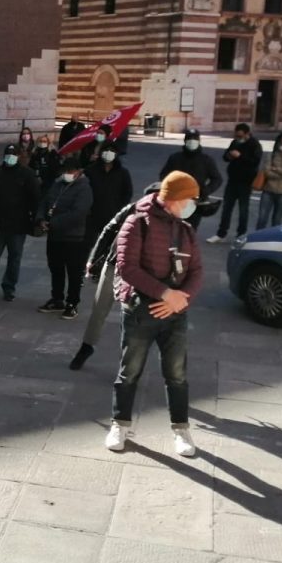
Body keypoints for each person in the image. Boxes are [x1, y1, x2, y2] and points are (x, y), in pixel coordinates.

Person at [105, 170, 204, 458]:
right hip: (141, 309)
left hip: (175, 312)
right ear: (173, 199)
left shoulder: (185, 230)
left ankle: (181, 428)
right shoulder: (137, 223)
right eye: (189, 199)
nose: (192, 205)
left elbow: (196, 270)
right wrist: (165, 294)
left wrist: (180, 299)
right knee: (130, 371)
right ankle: (120, 424)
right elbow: (127, 267)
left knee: (177, 373)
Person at [71, 182, 163, 372]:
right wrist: (94, 258)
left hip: (141, 275)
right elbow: (108, 229)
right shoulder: (132, 209)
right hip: (115, 265)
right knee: (99, 310)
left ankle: (128, 363)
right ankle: (86, 348)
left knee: (132, 317)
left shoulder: (167, 221)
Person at [0, 143, 40, 301]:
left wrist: (36, 220)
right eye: (8, 154)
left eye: (13, 154)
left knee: (14, 258)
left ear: (18, 156)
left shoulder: (27, 174)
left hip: (18, 225)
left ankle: (9, 287)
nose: (10, 157)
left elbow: (35, 199)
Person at [36, 155, 93, 320]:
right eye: (65, 170)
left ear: (79, 171)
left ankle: (72, 303)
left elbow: (78, 213)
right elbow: (46, 201)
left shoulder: (84, 188)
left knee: (74, 272)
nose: (67, 173)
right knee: (56, 269)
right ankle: (57, 298)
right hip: (54, 236)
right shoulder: (58, 183)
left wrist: (53, 222)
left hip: (73, 237)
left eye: (70, 171)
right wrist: (41, 219)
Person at [208, 122, 262, 244]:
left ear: (247, 134)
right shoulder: (235, 142)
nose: (238, 138)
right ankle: (221, 233)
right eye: (236, 135)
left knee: (243, 210)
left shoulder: (255, 145)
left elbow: (255, 161)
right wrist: (230, 156)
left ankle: (241, 235)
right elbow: (225, 157)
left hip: (245, 182)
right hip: (232, 181)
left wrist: (240, 156)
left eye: (240, 136)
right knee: (227, 208)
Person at [159, 128, 222, 231]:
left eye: (195, 139)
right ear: (185, 141)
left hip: (195, 201)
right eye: (189, 138)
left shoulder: (206, 160)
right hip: (176, 200)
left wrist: (206, 190)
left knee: (190, 230)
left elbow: (217, 179)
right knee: (173, 229)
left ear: (199, 141)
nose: (192, 141)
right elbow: (164, 175)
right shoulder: (175, 158)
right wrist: (171, 188)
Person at [84, 141, 134, 251]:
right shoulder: (91, 170)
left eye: (112, 151)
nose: (108, 153)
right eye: (106, 150)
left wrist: (120, 210)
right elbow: (84, 191)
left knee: (108, 246)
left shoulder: (122, 173)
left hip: (113, 215)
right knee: (88, 245)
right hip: (92, 215)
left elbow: (127, 193)